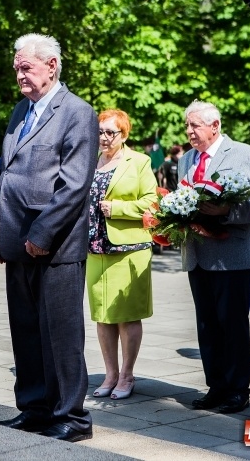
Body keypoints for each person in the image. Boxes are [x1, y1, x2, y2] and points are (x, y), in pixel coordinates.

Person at [0, 33, 98, 442]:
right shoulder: (21, 111)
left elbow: (73, 185)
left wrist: (42, 233)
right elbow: (8, 176)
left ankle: (71, 416)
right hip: (17, 241)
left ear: (51, 66)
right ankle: (34, 407)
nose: (19, 75)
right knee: (26, 329)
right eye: (16, 68)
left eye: (25, 67)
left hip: (55, 246)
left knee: (61, 334)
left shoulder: (76, 112)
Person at [179, 100, 250, 414]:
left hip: (230, 254)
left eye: (194, 126)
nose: (189, 132)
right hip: (197, 254)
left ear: (215, 126)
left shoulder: (244, 154)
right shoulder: (186, 158)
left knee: (232, 324)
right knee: (207, 324)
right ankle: (215, 386)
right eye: (187, 126)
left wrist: (225, 210)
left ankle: (237, 389)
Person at [88, 109, 158, 401]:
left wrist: (118, 209)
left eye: (110, 132)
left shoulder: (139, 162)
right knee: (102, 316)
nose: (104, 138)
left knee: (126, 317)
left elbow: (152, 203)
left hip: (129, 249)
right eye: (100, 131)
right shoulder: (91, 161)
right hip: (95, 248)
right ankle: (110, 374)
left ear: (124, 134)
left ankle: (127, 375)